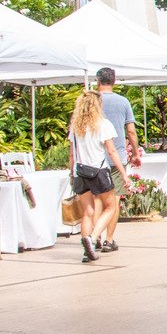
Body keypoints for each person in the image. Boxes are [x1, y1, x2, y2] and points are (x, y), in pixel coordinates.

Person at [68, 90, 131, 263]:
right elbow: (112, 151)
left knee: (88, 212)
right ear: (97, 105)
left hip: (80, 172)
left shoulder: (75, 126)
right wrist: (124, 175)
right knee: (110, 207)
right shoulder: (103, 124)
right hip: (99, 171)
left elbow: (72, 154)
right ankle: (93, 238)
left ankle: (86, 251)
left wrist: (71, 172)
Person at [95, 67, 141, 252]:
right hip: (117, 158)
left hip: (96, 157)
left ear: (97, 81)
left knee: (98, 199)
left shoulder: (92, 101)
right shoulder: (123, 102)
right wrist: (135, 153)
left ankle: (95, 237)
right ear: (114, 81)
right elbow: (131, 131)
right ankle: (109, 240)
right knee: (113, 199)